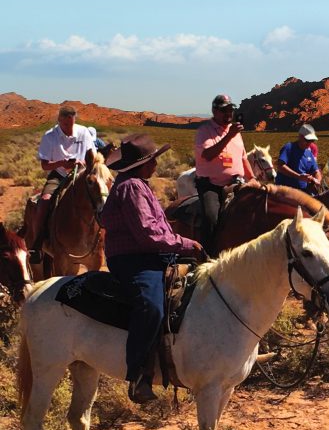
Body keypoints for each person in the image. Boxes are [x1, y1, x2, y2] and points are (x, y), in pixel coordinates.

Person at [100, 134, 205, 404]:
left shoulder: (140, 184)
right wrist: (184, 244)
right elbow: (148, 234)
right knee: (151, 305)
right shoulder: (132, 188)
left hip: (150, 254)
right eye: (152, 160)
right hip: (133, 259)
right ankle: (138, 375)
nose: (156, 164)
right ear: (141, 164)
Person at [29, 105, 97, 263]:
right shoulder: (50, 136)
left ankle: (103, 238)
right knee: (45, 199)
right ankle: (37, 243)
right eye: (66, 124)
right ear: (59, 120)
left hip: (82, 175)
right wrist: (62, 163)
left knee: (101, 196)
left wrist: (85, 164)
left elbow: (92, 154)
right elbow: (45, 165)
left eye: (71, 123)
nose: (69, 127)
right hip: (59, 175)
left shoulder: (83, 132)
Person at [193, 94, 255, 257]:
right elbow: (208, 154)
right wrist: (229, 136)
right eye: (224, 110)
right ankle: (208, 256)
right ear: (214, 111)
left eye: (230, 110)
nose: (228, 114)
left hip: (235, 183)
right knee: (211, 217)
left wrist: (253, 179)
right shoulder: (205, 131)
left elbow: (243, 159)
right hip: (211, 185)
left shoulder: (236, 132)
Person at [276, 124, 322, 194]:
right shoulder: (289, 147)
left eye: (312, 140)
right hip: (285, 191)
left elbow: (316, 171)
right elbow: (280, 166)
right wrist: (299, 176)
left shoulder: (309, 153)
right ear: (300, 136)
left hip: (303, 192)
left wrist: (317, 181)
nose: (309, 143)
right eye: (307, 140)